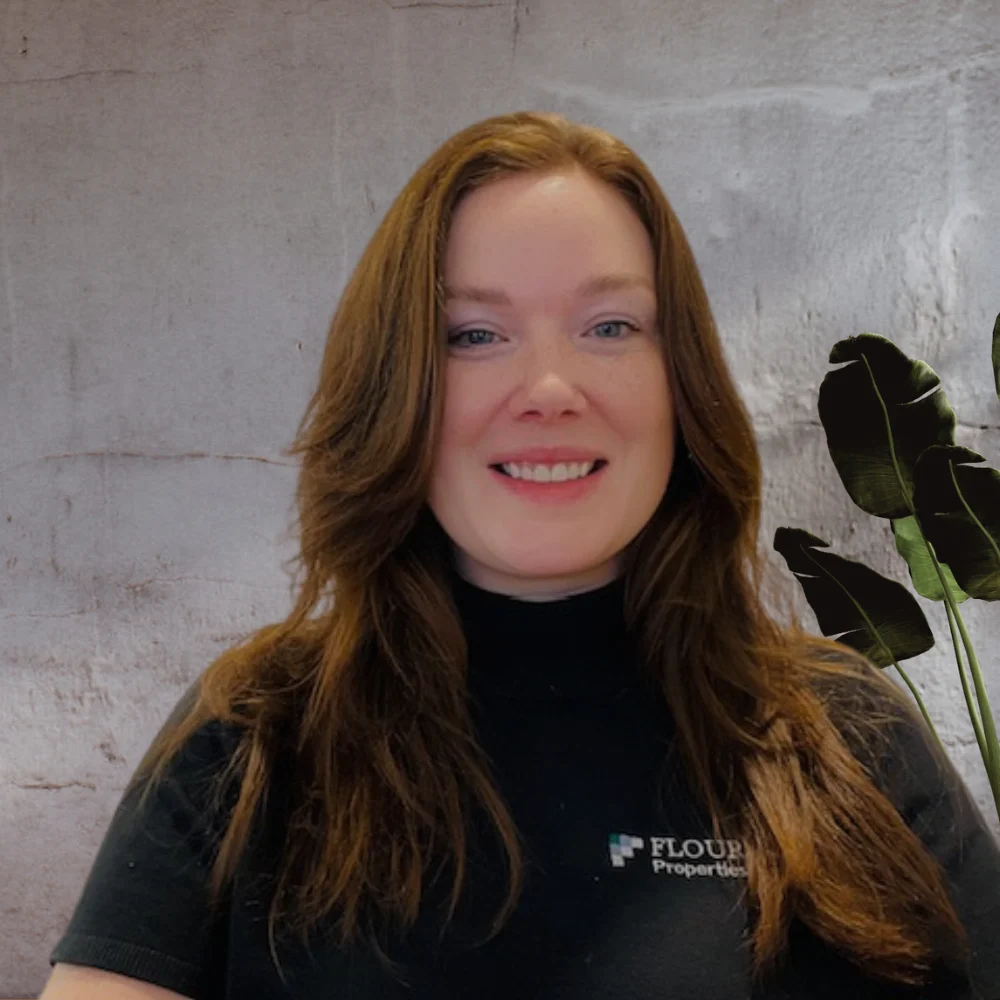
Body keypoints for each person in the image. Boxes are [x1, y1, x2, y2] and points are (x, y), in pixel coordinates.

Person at [40, 110, 1000, 1000]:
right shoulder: (254, 733)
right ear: (395, 393)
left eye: (610, 326)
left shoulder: (847, 738)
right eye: (474, 334)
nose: (549, 386)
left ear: (682, 385)